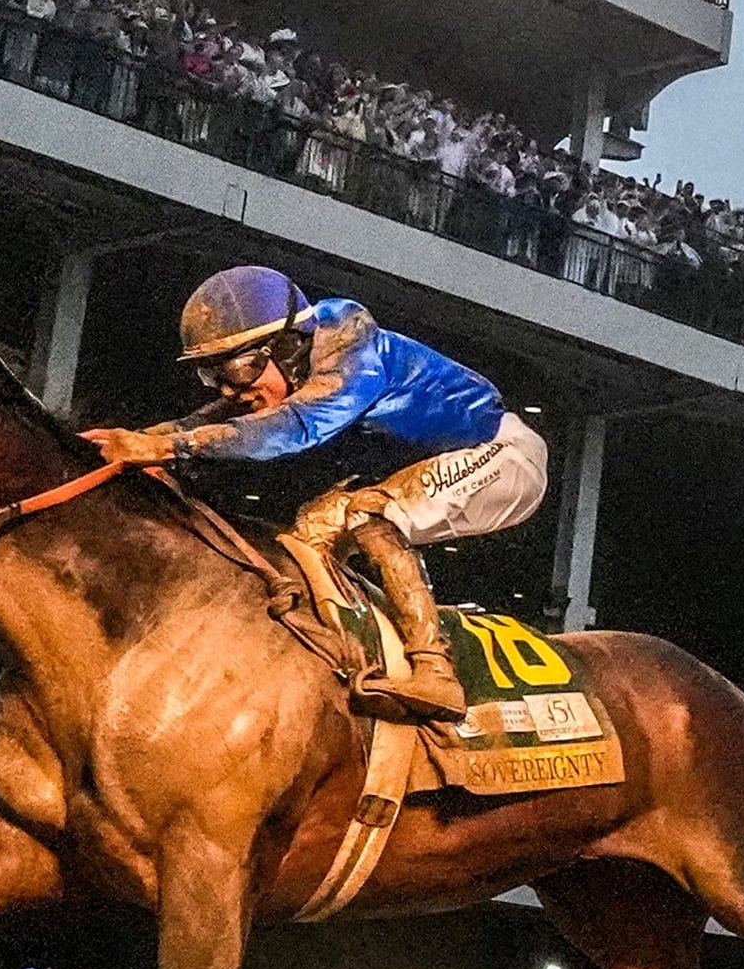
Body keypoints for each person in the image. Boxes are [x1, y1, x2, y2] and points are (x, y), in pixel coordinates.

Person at [81, 265, 547, 722]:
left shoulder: (354, 356)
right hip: (442, 460)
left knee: (369, 513)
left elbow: (292, 429)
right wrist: (137, 439)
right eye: (212, 374)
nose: (229, 389)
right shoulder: (300, 360)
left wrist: (167, 447)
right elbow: (214, 418)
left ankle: (436, 671)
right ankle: (343, 659)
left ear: (287, 347)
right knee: (307, 538)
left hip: (504, 454)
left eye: (239, 369)